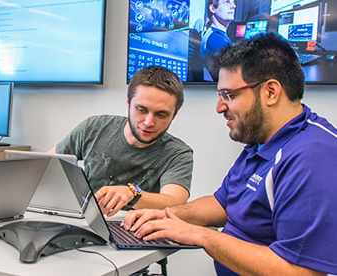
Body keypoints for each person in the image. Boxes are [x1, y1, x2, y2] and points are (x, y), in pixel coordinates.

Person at [122, 33, 337, 276]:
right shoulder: (262, 142)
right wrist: (166, 215)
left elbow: (299, 272)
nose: (220, 107)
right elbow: (225, 202)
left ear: (271, 92)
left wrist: (201, 236)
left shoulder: (312, 156)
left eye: (230, 95)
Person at [50, 65, 193, 217]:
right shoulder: (93, 128)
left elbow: (174, 202)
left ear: (174, 115)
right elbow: (45, 165)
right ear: (128, 103)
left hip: (138, 231)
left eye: (161, 114)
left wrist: (132, 193)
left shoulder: (178, 154)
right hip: (87, 222)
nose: (149, 122)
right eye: (141, 110)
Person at [200, 0, 236, 80]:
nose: (233, 6)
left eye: (233, 2)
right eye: (227, 2)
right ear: (213, 8)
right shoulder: (216, 40)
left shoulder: (213, 33)